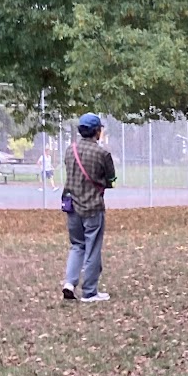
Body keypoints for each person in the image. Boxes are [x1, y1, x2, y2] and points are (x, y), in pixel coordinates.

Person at [61, 113, 117, 301]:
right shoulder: (103, 154)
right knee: (92, 248)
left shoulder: (70, 150)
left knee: (77, 245)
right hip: (93, 208)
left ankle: (69, 282)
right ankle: (90, 292)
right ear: (97, 131)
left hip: (72, 206)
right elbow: (111, 180)